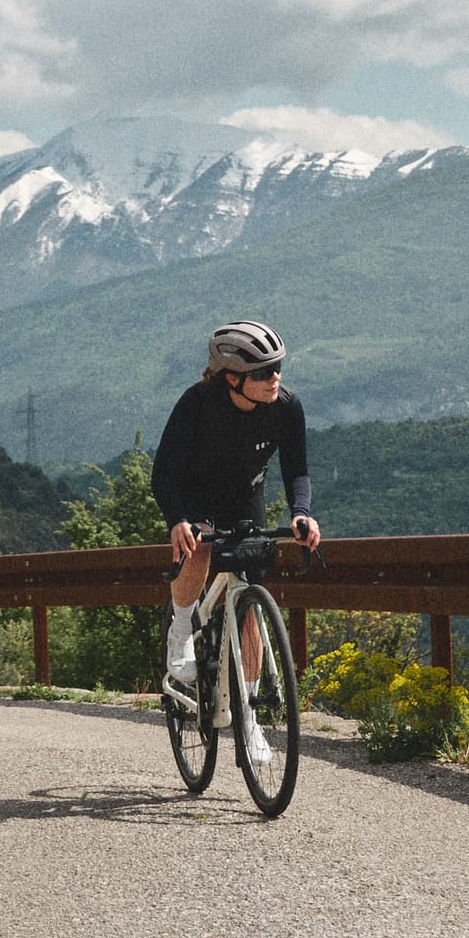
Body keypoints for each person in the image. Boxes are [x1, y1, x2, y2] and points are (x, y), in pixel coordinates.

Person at [151, 320, 321, 761]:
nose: (275, 378)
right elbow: (163, 473)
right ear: (232, 377)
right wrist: (177, 521)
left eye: (277, 368)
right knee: (201, 546)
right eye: (264, 372)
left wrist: (302, 513)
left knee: (251, 605)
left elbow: (297, 470)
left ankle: (247, 717)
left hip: (245, 495)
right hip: (194, 494)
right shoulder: (197, 404)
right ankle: (183, 625)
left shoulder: (286, 406)